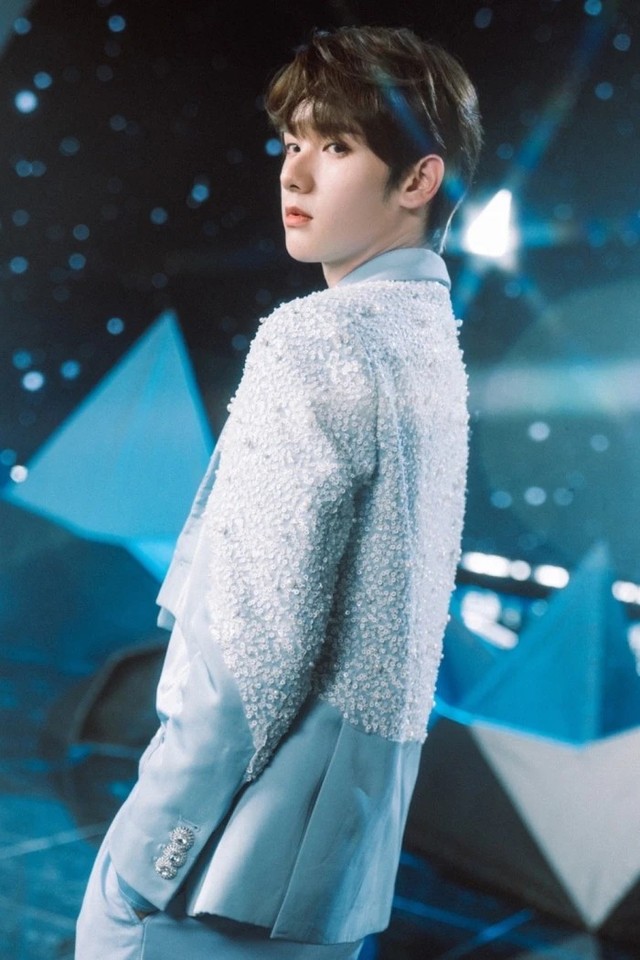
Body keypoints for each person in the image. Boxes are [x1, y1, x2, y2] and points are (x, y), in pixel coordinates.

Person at [76, 24, 482, 960]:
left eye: (335, 147)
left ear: (418, 180)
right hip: (336, 880)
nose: (293, 174)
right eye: (292, 142)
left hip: (217, 870)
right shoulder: (432, 346)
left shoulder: (318, 339)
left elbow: (255, 651)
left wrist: (147, 859)